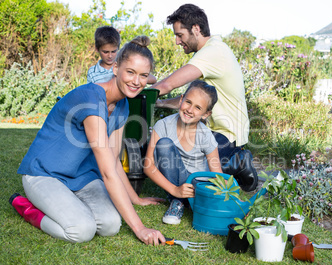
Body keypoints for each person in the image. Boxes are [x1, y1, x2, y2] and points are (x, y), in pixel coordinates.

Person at [11, 36, 166, 245]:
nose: (136, 81)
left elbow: (113, 159)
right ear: (115, 68)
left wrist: (135, 198)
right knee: (82, 230)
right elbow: (106, 171)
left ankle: (68, 203)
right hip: (45, 174)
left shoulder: (123, 106)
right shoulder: (90, 98)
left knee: (111, 225)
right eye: (130, 72)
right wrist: (140, 228)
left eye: (143, 75)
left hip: (81, 177)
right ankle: (26, 206)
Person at [152, 4, 258, 191]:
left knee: (192, 171)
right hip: (211, 130)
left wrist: (142, 94)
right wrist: (160, 103)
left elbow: (168, 84)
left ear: (196, 29)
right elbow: (191, 100)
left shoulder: (213, 52)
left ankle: (235, 162)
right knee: (178, 156)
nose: (177, 41)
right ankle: (233, 164)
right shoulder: (211, 51)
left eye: (179, 35)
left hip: (225, 134)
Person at [144, 80, 222, 225]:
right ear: (181, 100)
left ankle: (189, 201)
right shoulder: (163, 126)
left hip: (196, 185)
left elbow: (217, 174)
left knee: (206, 187)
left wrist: (232, 199)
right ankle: (177, 201)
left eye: (198, 107)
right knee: (164, 144)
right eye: (188, 102)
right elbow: (148, 166)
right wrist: (174, 190)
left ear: (206, 114)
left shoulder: (205, 135)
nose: (190, 110)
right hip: (174, 184)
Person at [87, 26, 157, 84]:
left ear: (118, 48)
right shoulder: (92, 72)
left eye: (114, 51)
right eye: (105, 52)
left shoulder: (123, 65)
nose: (110, 56)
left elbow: (153, 79)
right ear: (97, 49)